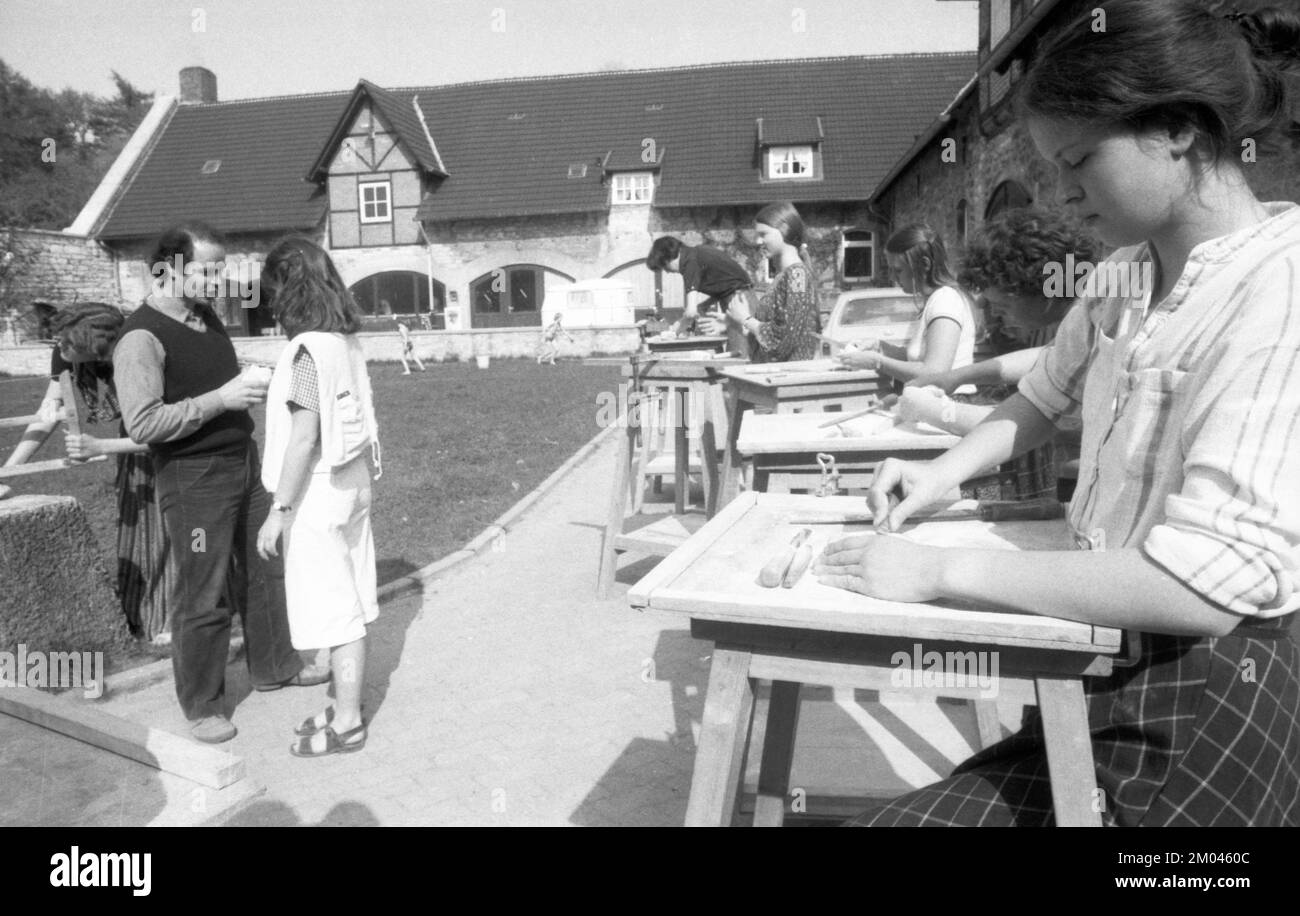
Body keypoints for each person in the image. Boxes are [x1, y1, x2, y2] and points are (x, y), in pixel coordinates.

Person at [817, 0, 1300, 826]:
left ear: (1178, 129)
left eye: (1078, 159)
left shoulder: (1277, 291)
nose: (1062, 193)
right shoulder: (1123, 273)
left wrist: (938, 573)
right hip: (1101, 666)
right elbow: (1042, 396)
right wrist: (939, 475)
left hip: (1203, 707)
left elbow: (1207, 584)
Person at [114, 223, 327, 745]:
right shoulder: (140, 337)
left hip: (243, 463)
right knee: (203, 593)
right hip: (193, 478)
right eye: (208, 269)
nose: (219, 280)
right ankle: (203, 705)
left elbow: (213, 385)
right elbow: (142, 425)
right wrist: (222, 400)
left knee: (264, 569)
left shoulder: (206, 318)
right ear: (169, 269)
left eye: (220, 268)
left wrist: (249, 383)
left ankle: (275, 668)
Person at [255, 237, 381, 757]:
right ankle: (342, 703)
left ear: (286, 287)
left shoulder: (307, 350)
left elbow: (304, 437)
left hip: (319, 491)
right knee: (348, 593)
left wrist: (278, 512)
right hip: (354, 480)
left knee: (337, 611)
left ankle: (348, 721)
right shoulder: (344, 341)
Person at [0, 303, 177, 642]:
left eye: (67, 344)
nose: (61, 350)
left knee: (172, 530)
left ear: (92, 344)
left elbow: (164, 424)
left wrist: (103, 447)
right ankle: (142, 614)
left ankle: (176, 618)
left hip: (165, 434)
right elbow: (46, 417)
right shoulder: (67, 352)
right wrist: (7, 474)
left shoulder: (135, 353)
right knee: (137, 526)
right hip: (135, 437)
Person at [895, 208, 1098, 501]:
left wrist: (930, 409)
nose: (998, 318)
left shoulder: (1093, 320)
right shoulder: (1071, 315)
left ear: (1037, 290)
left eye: (1002, 307)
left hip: (1082, 485)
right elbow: (1045, 357)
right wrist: (955, 377)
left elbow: (1022, 417)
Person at [837, 224, 978, 391]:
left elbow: (935, 373)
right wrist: (881, 347)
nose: (893, 277)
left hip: (949, 405)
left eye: (898, 270)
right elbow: (918, 358)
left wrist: (877, 361)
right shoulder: (936, 299)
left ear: (924, 265)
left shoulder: (945, 300)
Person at [718, 201, 821, 363]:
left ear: (785, 230)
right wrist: (733, 323)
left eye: (764, 234)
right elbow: (773, 331)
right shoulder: (785, 275)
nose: (758, 241)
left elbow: (785, 338)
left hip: (788, 380)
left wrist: (746, 319)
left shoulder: (797, 275)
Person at [646, 236, 755, 356]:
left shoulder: (689, 262)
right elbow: (725, 285)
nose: (667, 271)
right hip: (739, 297)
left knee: (742, 356)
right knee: (738, 353)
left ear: (668, 258)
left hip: (740, 301)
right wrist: (704, 305)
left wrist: (674, 331)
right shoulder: (696, 254)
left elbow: (691, 312)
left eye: (665, 267)